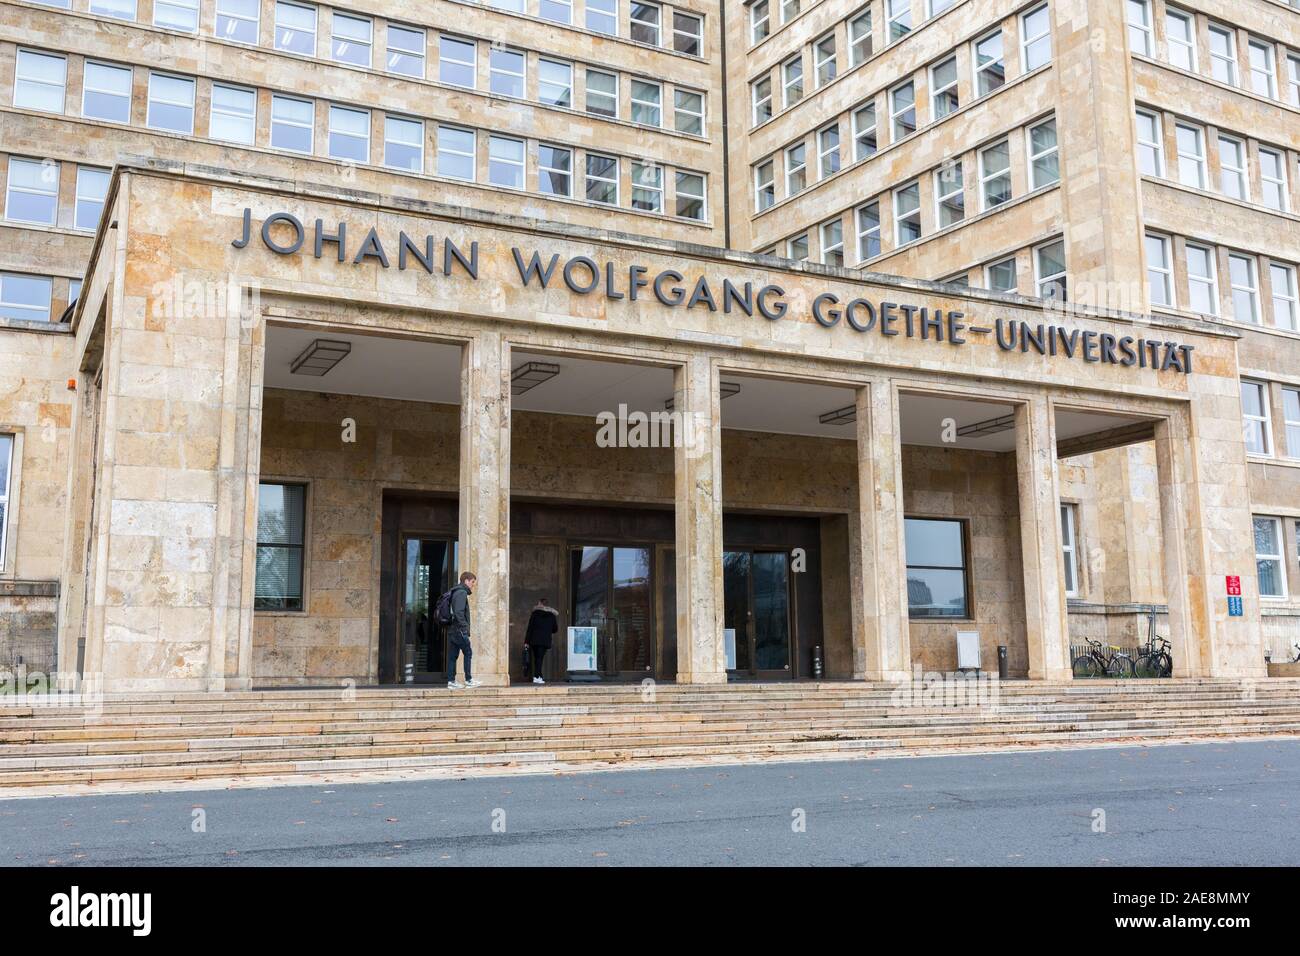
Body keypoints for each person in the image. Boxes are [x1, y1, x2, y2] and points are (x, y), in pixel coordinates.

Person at [446, 571, 479, 689]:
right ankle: (468, 679)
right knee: (468, 653)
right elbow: (459, 612)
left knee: (453, 656)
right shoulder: (461, 593)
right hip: (459, 630)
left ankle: (451, 681)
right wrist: (464, 627)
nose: (473, 585)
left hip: (453, 629)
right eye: (472, 582)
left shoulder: (455, 592)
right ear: (466, 581)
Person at [524, 598, 559, 684]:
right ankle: (537, 676)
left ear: (540, 604)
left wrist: (526, 641)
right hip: (544, 640)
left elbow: (530, 628)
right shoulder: (552, 615)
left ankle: (538, 676)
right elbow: (555, 629)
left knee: (537, 658)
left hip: (534, 640)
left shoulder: (535, 614)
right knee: (540, 658)